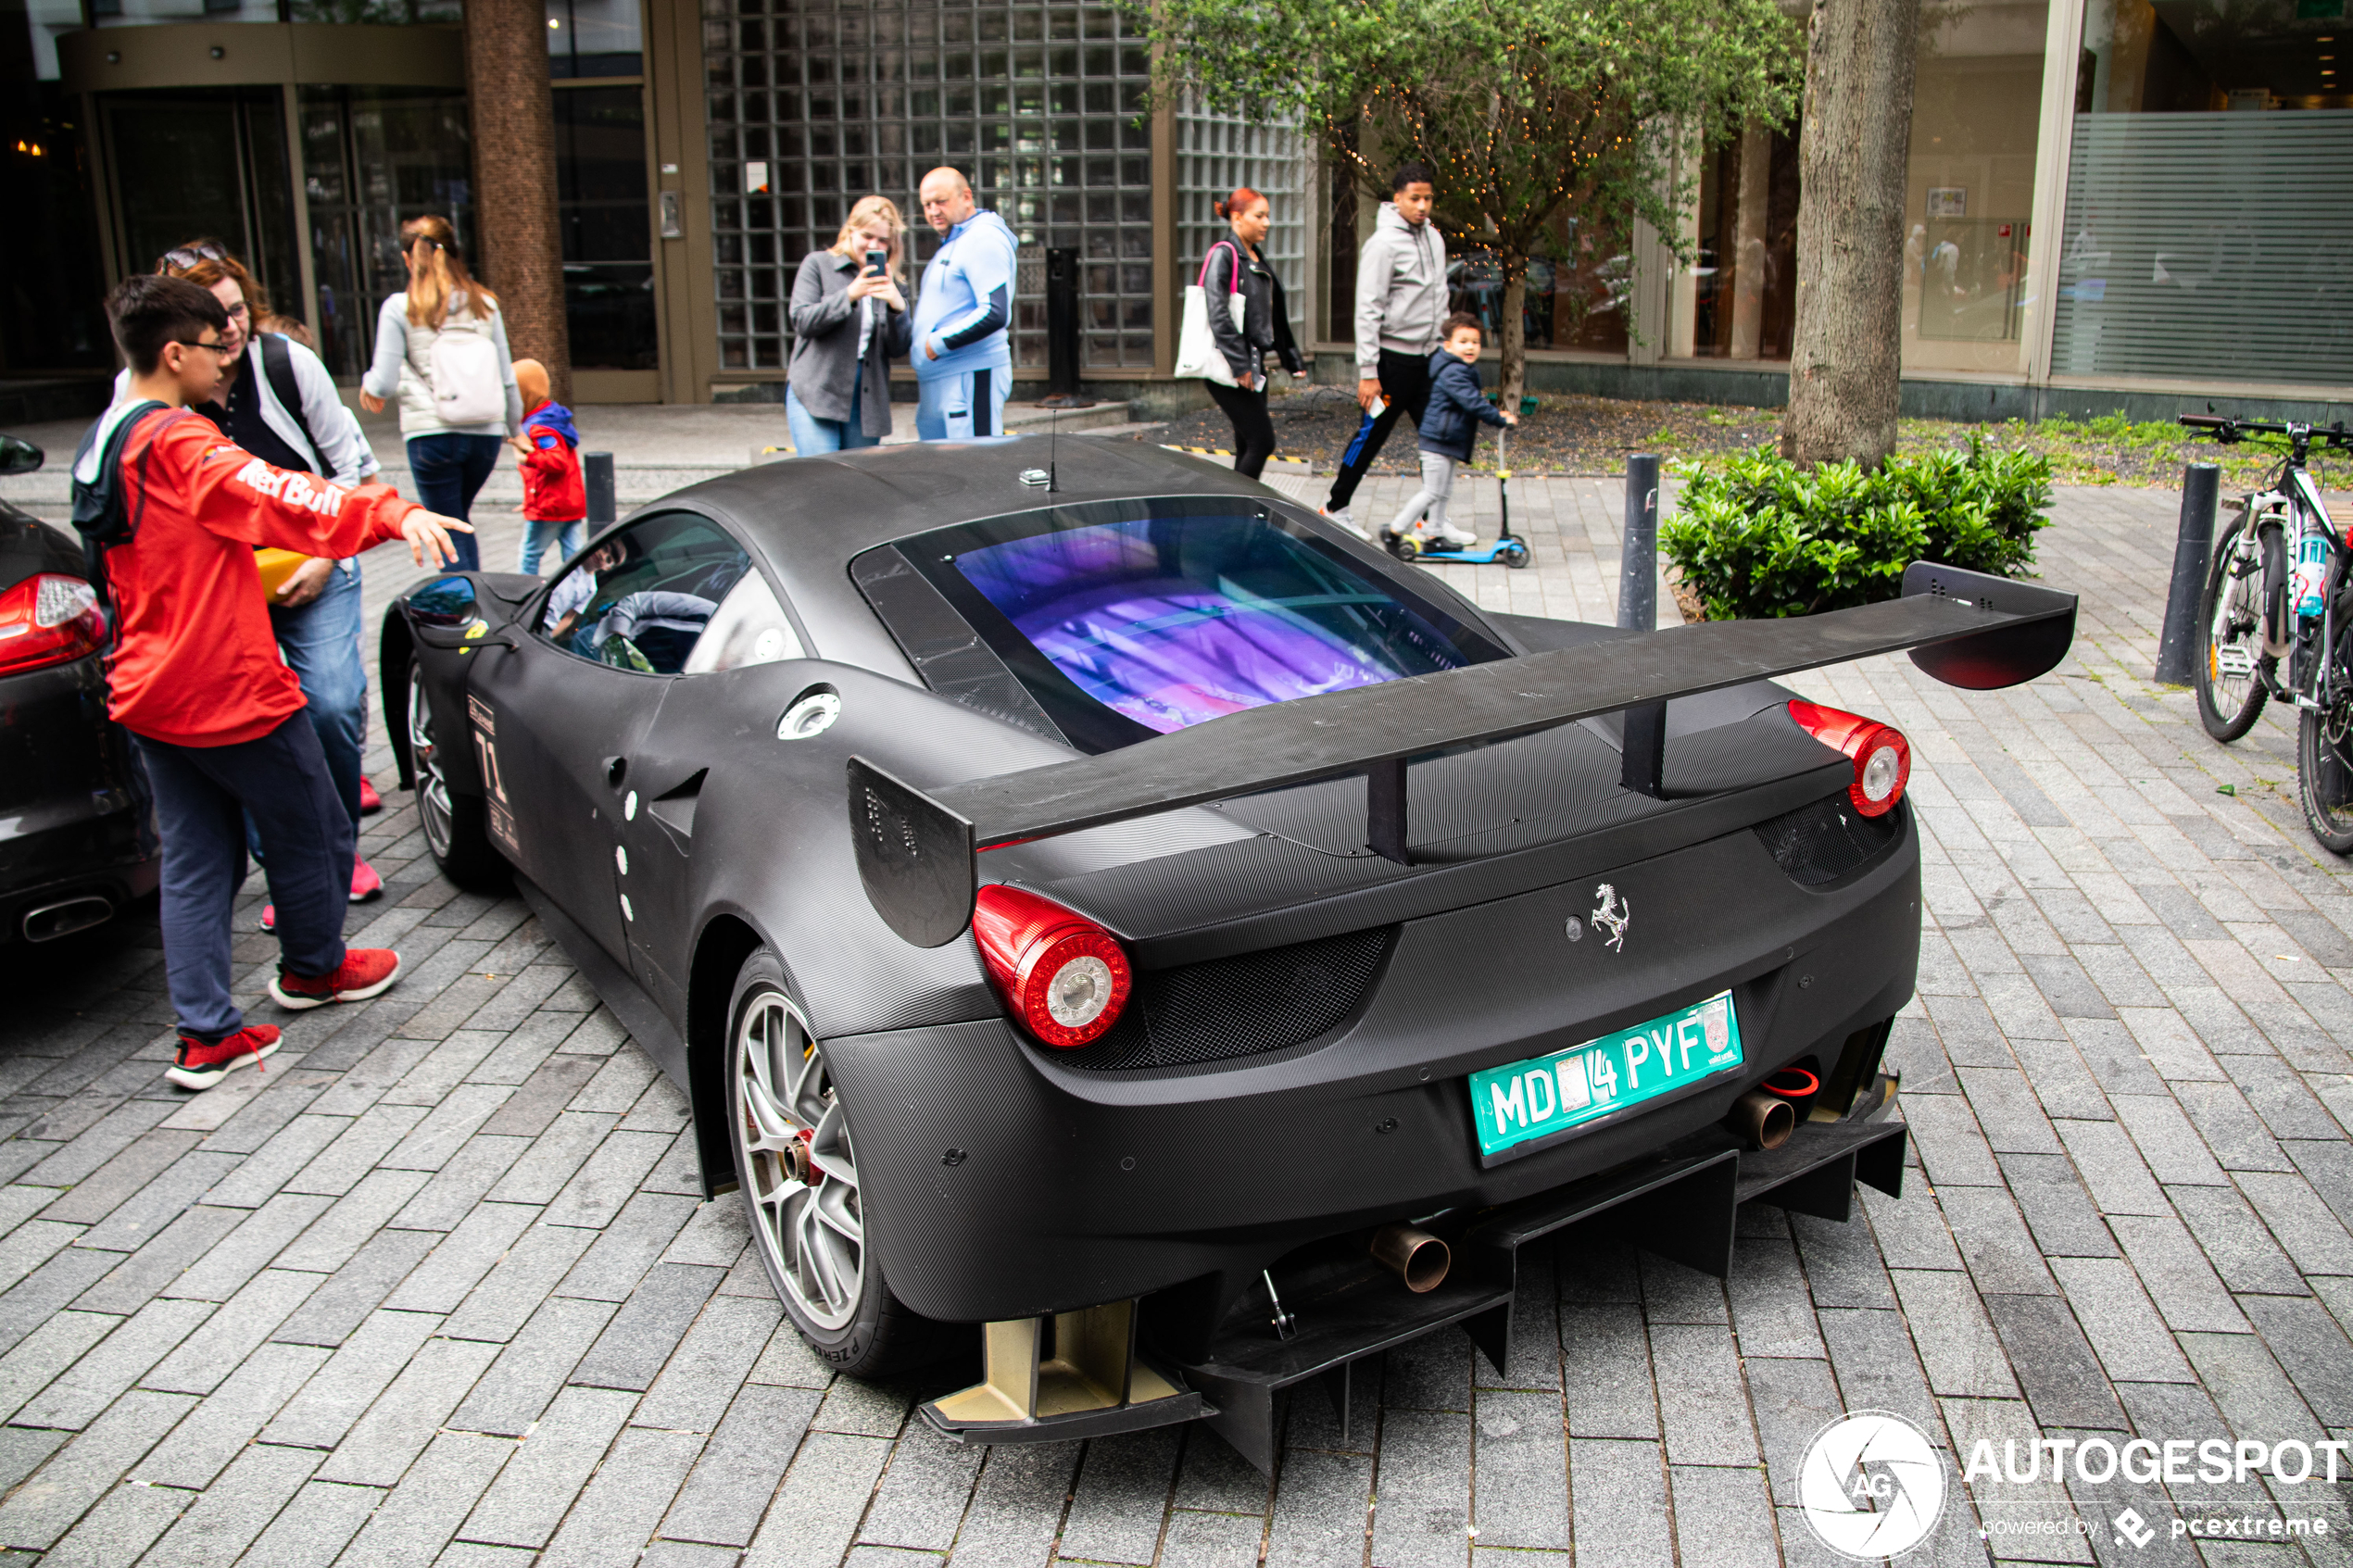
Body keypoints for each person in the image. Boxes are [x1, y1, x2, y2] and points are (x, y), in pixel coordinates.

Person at [72, 275, 468, 1090]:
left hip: (148, 686)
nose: (229, 361)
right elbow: (277, 494)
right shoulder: (178, 440)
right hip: (222, 684)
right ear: (174, 352)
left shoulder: (109, 432)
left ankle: (206, 1033)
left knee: (195, 859)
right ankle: (314, 969)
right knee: (316, 824)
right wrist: (392, 514)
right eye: (216, 348)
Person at [133, 241, 392, 915]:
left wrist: (325, 558)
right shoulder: (151, 402)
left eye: (239, 309)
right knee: (249, 730)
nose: (231, 327)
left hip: (315, 566)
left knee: (332, 703)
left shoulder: (286, 364)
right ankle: (290, 869)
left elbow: (355, 474)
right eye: (214, 316)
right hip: (220, 589)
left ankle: (336, 849)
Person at [359, 216, 522, 572]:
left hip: (431, 435)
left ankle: (467, 617)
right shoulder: (486, 306)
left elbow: (383, 383)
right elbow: (508, 377)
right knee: (457, 521)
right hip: (485, 435)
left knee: (450, 527)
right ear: (456, 254)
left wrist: (368, 385)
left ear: (407, 259)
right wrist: (516, 430)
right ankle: (475, 609)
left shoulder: (400, 308)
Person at [1322, 162, 1449, 536]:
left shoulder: (1435, 239)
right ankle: (1335, 507)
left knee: (1438, 438)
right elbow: (1368, 309)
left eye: (1428, 198)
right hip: (1393, 363)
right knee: (1372, 435)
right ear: (1398, 199)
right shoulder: (1383, 244)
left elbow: (1439, 298)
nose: (1422, 205)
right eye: (1415, 198)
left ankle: (1434, 521)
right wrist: (1368, 372)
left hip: (1429, 360)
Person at [1193, 186, 1304, 482]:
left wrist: (1290, 357)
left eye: (1267, 216)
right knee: (1262, 441)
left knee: (1247, 444)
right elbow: (1218, 314)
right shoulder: (1224, 255)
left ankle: (1241, 518)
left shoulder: (1255, 258)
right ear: (1237, 217)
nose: (1266, 222)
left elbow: (1273, 312)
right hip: (1231, 367)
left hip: (1255, 365)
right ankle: (1236, 512)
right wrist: (1239, 364)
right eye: (1259, 216)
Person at [787, 195, 912, 453]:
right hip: (818, 388)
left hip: (866, 398)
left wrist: (897, 308)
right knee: (821, 476)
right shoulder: (819, 265)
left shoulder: (893, 284)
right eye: (867, 236)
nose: (873, 245)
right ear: (851, 231)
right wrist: (850, 294)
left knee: (856, 483)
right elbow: (802, 321)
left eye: (882, 240)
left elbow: (899, 349)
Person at [1384, 313, 1516, 548]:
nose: (1470, 347)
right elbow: (1471, 401)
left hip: (1448, 440)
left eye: (1475, 342)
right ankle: (1395, 530)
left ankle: (1434, 536)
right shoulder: (1453, 372)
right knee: (1431, 492)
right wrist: (1497, 418)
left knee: (1442, 493)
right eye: (1463, 341)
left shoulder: (1462, 369)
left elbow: (1471, 400)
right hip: (1437, 440)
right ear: (1448, 345)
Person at [911, 167, 1018, 440]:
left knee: (976, 468)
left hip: (969, 375)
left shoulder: (983, 237)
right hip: (943, 379)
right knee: (945, 472)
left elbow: (995, 312)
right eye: (927, 204)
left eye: (941, 201)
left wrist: (935, 344)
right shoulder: (955, 241)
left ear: (966, 197)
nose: (934, 210)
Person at [510, 358, 585, 574]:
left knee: (529, 555)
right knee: (575, 556)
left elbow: (556, 461)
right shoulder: (554, 417)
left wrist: (527, 458)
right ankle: (581, 594)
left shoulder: (540, 427)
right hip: (568, 501)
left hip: (550, 506)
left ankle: (525, 598)